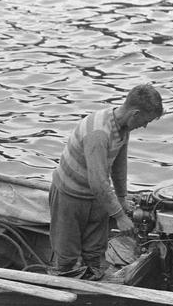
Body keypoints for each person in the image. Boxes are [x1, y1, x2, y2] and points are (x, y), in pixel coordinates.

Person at [48, 84, 164, 280]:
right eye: (146, 121)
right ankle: (62, 283)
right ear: (135, 114)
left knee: (95, 253)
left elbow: (119, 165)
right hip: (70, 196)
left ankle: (93, 281)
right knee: (67, 255)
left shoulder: (123, 127)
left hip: (96, 197)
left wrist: (121, 198)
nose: (144, 126)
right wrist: (119, 216)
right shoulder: (99, 133)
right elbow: (98, 181)